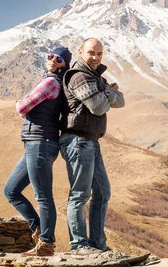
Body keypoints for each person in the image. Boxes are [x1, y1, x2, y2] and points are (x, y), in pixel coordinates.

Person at [3, 46, 72, 257]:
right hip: (36, 143)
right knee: (11, 191)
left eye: (59, 58)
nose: (53, 60)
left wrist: (21, 104)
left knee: (43, 197)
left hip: (40, 142)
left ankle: (46, 244)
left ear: (65, 64)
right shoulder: (53, 80)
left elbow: (22, 107)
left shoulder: (51, 82)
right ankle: (39, 229)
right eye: (50, 56)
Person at [60, 38, 125, 255]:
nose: (95, 57)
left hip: (91, 142)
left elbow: (121, 102)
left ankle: (97, 244)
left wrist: (104, 92)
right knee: (79, 195)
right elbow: (98, 108)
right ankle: (79, 245)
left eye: (99, 53)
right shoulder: (79, 76)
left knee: (103, 192)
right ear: (80, 52)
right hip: (77, 141)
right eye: (91, 53)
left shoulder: (95, 77)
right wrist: (108, 90)